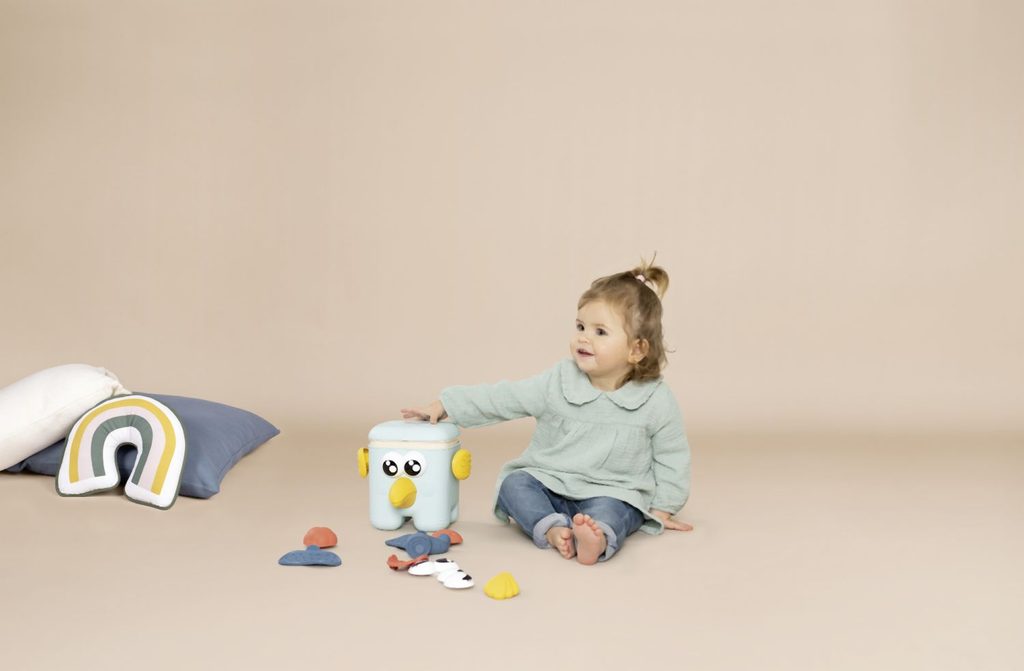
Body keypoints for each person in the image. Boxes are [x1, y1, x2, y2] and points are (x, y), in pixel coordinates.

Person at [401, 259, 692, 565]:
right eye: (580, 327)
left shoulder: (654, 399)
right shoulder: (559, 381)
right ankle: (552, 528)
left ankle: (598, 538)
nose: (583, 337)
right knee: (514, 485)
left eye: (600, 332)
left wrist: (664, 506)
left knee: (620, 509)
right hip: (551, 481)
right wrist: (447, 404)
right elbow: (505, 398)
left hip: (612, 490)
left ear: (636, 349)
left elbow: (672, 455)